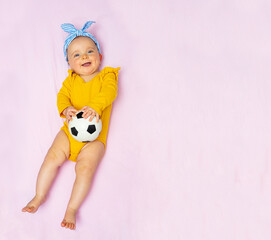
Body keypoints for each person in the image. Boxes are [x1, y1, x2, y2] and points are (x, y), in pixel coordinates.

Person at [22, 21, 120, 230]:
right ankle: (38, 196)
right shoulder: (70, 81)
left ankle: (72, 209)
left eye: (89, 51)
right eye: (76, 55)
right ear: (69, 63)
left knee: (85, 168)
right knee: (51, 157)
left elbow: (110, 93)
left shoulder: (107, 76)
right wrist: (66, 109)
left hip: (94, 141)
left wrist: (95, 106)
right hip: (69, 133)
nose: (84, 56)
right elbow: (62, 97)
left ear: (99, 57)